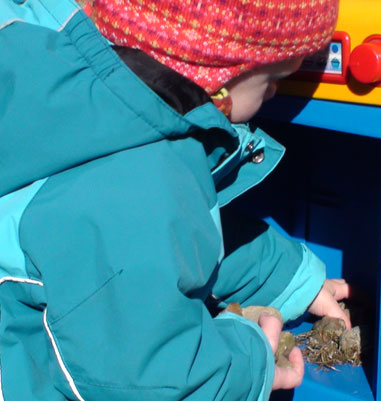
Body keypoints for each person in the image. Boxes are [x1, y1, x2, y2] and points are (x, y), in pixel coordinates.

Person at [0, 0, 350, 400]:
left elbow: (163, 238)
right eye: (272, 78)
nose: (274, 92)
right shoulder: (142, 179)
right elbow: (152, 381)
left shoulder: (59, 81)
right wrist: (252, 361)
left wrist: (287, 276)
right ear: (219, 75)